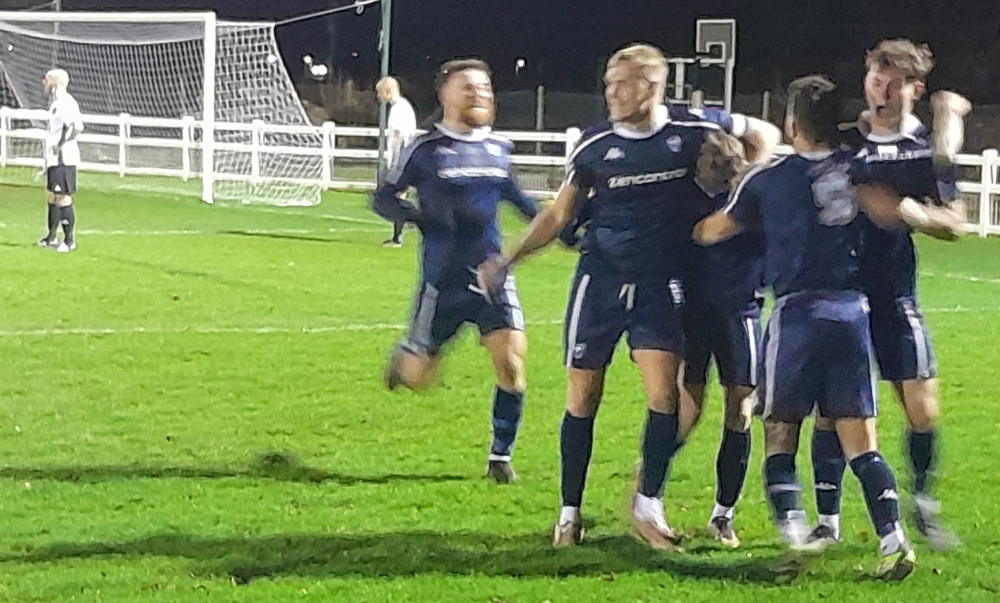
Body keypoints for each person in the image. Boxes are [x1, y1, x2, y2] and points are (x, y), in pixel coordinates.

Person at [477, 43, 777, 549]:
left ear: (653, 86)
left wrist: (740, 191)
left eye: (624, 82)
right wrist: (510, 258)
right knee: (582, 396)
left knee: (665, 397)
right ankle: (569, 513)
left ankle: (648, 504)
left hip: (661, 286)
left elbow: (763, 136)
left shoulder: (695, 130)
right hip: (599, 283)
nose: (612, 92)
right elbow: (557, 214)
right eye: (609, 82)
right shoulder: (593, 145)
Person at [695, 75, 916, 580]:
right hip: (852, 313)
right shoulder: (858, 170)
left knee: (778, 431)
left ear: (791, 123)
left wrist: (688, 215)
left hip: (795, 313)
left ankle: (794, 532)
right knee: (862, 441)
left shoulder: (768, 178)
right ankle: (893, 539)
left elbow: (716, 230)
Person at [808, 39, 965, 550]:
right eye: (877, 79)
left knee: (921, 409)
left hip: (896, 294)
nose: (883, 90)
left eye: (895, 83)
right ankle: (827, 519)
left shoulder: (928, 150)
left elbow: (955, 223)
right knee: (832, 411)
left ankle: (923, 502)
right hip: (842, 294)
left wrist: (908, 213)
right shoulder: (845, 142)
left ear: (914, 90)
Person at [371, 59, 538, 483]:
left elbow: (520, 201)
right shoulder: (424, 150)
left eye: (484, 87)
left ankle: (500, 458)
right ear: (445, 94)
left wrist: (559, 225)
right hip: (441, 281)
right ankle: (404, 360)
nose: (479, 94)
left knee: (512, 362)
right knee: (419, 378)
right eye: (468, 87)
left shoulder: (499, 149)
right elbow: (384, 197)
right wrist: (418, 219)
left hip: (491, 275)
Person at [37, 68, 83, 253]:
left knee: (63, 197)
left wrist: (61, 145)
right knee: (54, 197)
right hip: (55, 159)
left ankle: (69, 241)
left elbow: (76, 127)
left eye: (47, 79)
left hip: (65, 158)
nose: (44, 82)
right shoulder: (56, 103)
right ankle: (51, 237)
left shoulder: (66, 102)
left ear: (55, 81)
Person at [376, 76, 418, 248]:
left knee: (391, 197)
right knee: (395, 197)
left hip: (402, 159)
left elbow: (400, 136)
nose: (378, 97)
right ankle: (397, 235)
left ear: (387, 91)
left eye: (379, 92)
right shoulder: (401, 107)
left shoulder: (399, 108)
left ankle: (401, 233)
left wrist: (397, 164)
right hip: (403, 158)